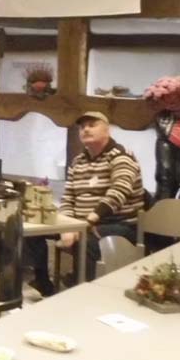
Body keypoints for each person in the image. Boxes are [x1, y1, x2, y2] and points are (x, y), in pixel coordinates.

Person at [25, 111, 146, 297]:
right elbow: (68, 198)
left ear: (107, 130)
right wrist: (66, 226)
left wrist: (85, 224)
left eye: (92, 125)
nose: (86, 130)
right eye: (82, 127)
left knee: (87, 241)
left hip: (118, 224)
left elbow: (119, 192)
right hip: (81, 223)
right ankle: (43, 283)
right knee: (34, 230)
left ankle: (84, 292)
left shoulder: (121, 156)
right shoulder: (78, 161)